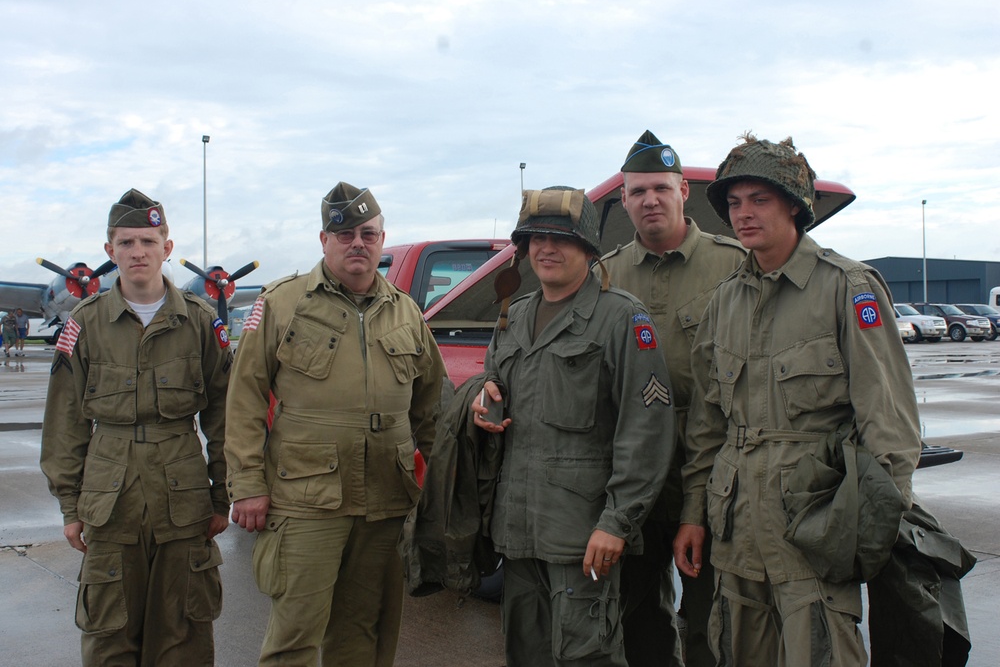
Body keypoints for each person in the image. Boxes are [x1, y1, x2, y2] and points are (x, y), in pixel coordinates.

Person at [673, 135, 922, 665]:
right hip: (736, 525)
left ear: (794, 205)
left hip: (815, 526)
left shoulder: (846, 286)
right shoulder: (723, 303)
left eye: (759, 200)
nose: (744, 214)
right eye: (734, 203)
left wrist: (875, 530)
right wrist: (693, 512)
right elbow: (707, 427)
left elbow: (889, 422)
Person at [225, 182, 446, 666]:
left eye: (368, 233)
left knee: (366, 636)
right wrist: (246, 485)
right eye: (344, 233)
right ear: (323, 240)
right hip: (306, 499)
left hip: (386, 500)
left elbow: (431, 410)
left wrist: (441, 492)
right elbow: (243, 400)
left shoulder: (406, 312)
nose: (357, 243)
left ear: (382, 239)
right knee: (295, 639)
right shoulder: (282, 304)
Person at [473, 186, 676, 666]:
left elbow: (646, 430)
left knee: (588, 658)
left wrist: (617, 523)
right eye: (536, 238)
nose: (546, 248)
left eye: (561, 238)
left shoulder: (621, 318)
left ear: (587, 247)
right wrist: (481, 402)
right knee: (526, 655)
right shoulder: (513, 317)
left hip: (583, 536)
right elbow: (492, 386)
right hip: (519, 533)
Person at [39, 188, 233, 666]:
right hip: (110, 502)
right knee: (110, 636)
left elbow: (226, 416)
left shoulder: (200, 322)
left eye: (148, 240)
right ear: (110, 252)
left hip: (184, 500)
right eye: (126, 243)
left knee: (184, 637)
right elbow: (65, 422)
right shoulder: (84, 326)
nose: (138, 252)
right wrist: (70, 505)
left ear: (167, 247)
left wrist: (223, 494)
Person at [601, 130, 745, 667]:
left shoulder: (732, 265)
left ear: (684, 190)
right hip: (635, 469)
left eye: (661, 188)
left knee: (712, 618)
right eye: (638, 192)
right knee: (638, 616)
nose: (650, 200)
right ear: (624, 200)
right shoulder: (606, 273)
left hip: (711, 471)